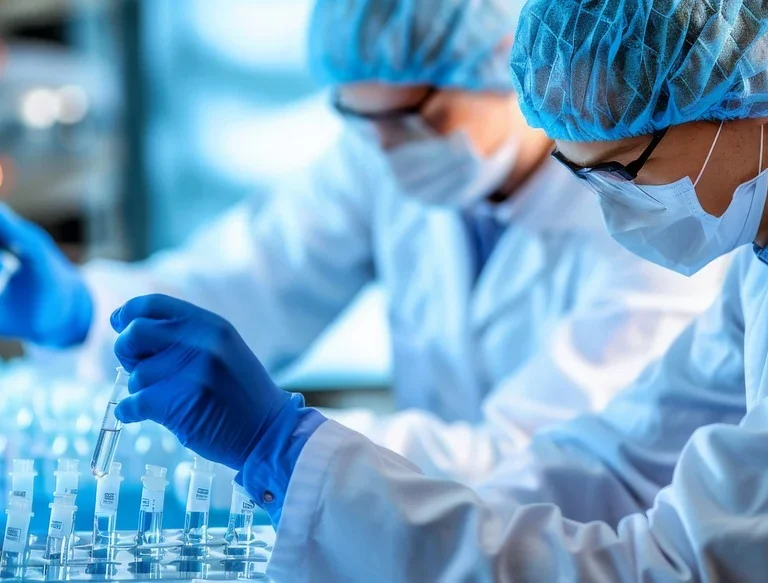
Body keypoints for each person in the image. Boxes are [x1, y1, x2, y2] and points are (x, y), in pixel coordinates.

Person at [104, 0, 768, 580]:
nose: (611, 206)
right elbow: (606, 461)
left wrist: (292, 449)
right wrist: (310, 477)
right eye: (586, 174)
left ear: (747, 91)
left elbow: (678, 569)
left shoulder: (706, 252)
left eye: (623, 169)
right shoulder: (754, 270)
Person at [0, 0, 723, 485]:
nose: (384, 148)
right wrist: (89, 313)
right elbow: (255, 278)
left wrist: (284, 439)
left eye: (413, 116)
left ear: (512, 63)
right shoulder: (382, 156)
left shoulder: (648, 210)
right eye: (359, 117)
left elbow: (537, 464)